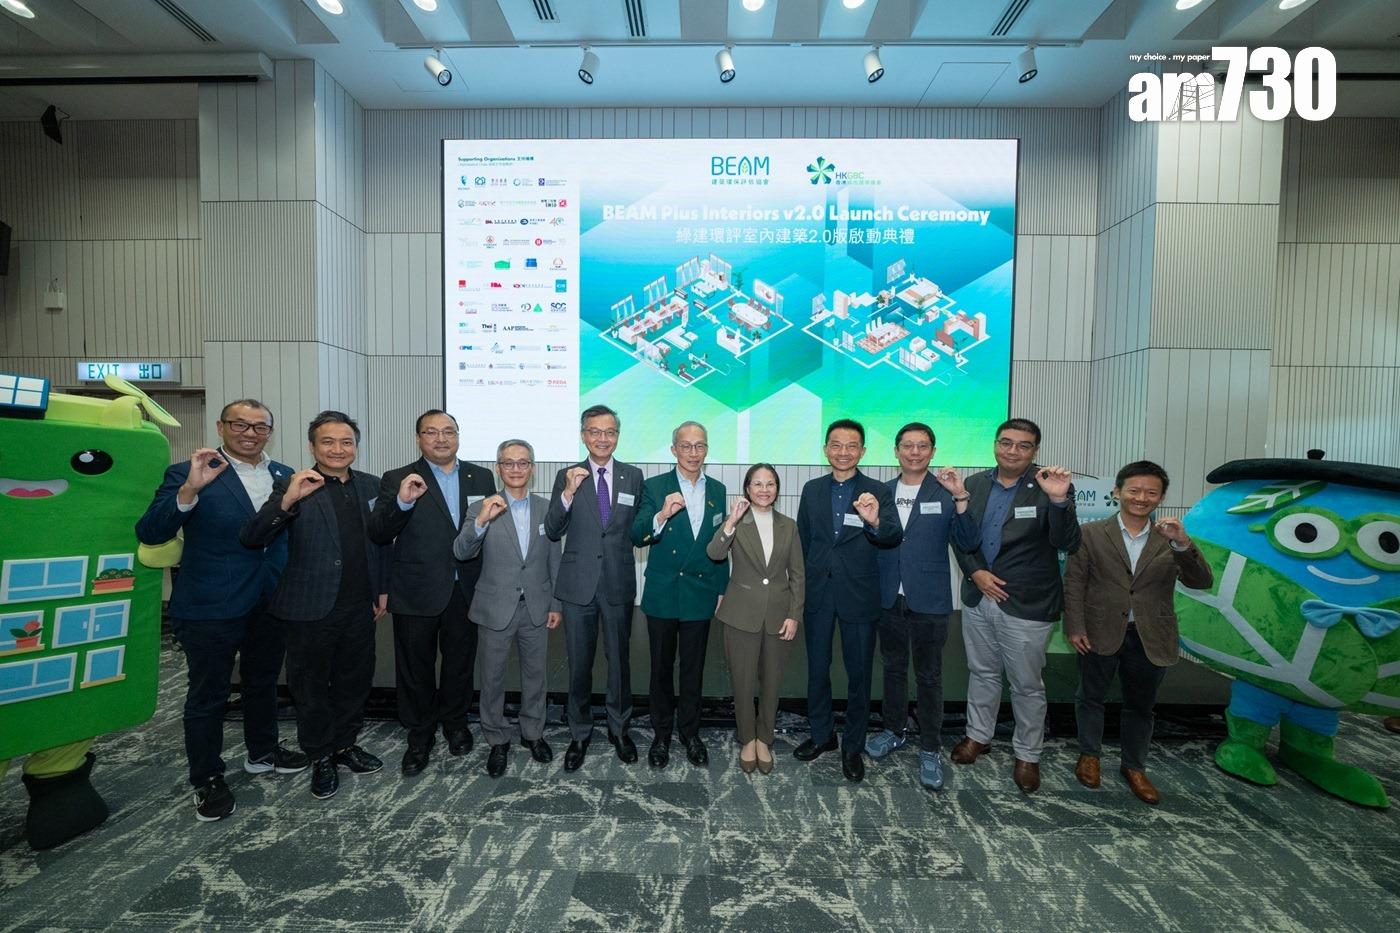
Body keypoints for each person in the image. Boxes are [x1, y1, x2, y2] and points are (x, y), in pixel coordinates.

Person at [135, 399, 307, 822]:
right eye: (240, 424)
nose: (250, 433)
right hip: (211, 603)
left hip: (270, 600)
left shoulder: (284, 474)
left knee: (262, 682)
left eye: (260, 427)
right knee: (208, 694)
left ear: (270, 432)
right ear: (221, 426)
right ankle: (207, 777)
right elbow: (150, 531)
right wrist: (189, 490)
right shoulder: (190, 471)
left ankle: (262, 751)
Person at [240, 411, 389, 800]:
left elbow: (379, 543)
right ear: (312, 446)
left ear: (356, 447)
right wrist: (289, 499)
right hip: (308, 606)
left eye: (346, 442)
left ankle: (344, 745)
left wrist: (382, 588)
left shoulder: (371, 485)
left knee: (354, 681)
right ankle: (320, 754)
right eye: (328, 441)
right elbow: (254, 536)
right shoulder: (294, 484)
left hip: (359, 605)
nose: (338, 449)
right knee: (310, 687)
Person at [1063, 460, 1213, 805]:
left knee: (1141, 706)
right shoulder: (1090, 533)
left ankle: (1134, 766)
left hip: (1150, 634)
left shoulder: (1171, 538)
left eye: (1151, 493)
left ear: (1161, 498)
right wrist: (1075, 626)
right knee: (1090, 697)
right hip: (1098, 630)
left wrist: (1182, 544)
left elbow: (1201, 581)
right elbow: (1074, 584)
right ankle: (1089, 755)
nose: (1141, 498)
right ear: (1117, 492)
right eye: (1134, 490)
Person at [952, 417, 1080, 793]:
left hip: (1026, 602)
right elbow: (961, 536)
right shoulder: (975, 484)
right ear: (995, 444)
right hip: (979, 595)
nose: (1013, 451)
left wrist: (1058, 500)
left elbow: (1067, 542)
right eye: (1006, 442)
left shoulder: (1049, 484)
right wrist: (975, 572)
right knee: (982, 672)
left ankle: (1028, 754)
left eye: (1023, 445)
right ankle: (978, 736)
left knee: (1026, 685)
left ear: (1035, 450)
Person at [366, 409, 495, 777]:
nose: (441, 439)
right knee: (415, 667)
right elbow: (379, 531)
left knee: (459, 664)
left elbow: (485, 530)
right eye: (431, 432)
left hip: (465, 588)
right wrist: (403, 502)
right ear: (418, 438)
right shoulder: (398, 478)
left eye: (448, 431)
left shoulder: (481, 476)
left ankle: (455, 723)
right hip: (416, 589)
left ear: (458, 436)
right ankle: (419, 733)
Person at [868, 422, 979, 792]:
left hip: (930, 599)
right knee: (893, 669)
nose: (914, 452)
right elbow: (873, 537)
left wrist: (961, 498)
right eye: (907, 445)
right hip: (888, 596)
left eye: (922, 446)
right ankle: (893, 730)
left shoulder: (945, 492)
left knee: (929, 675)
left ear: (933, 451)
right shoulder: (881, 492)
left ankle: (930, 747)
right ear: (896, 451)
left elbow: (968, 541)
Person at [794, 418, 902, 782]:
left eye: (851, 445)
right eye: (836, 445)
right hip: (819, 594)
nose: (844, 452)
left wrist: (874, 521)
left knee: (859, 675)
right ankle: (821, 735)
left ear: (863, 451)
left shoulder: (878, 491)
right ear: (825, 449)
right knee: (817, 669)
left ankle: (853, 746)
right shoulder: (812, 489)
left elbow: (892, 534)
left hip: (859, 594)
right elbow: (804, 541)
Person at [545, 404, 645, 771]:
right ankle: (579, 733)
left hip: (618, 582)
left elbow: (638, 529)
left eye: (609, 432)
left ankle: (619, 730)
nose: (603, 438)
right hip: (577, 587)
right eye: (595, 432)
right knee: (579, 665)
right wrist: (568, 493)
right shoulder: (567, 475)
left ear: (617, 436)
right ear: (583, 435)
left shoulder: (633, 476)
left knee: (619, 663)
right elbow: (553, 529)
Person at [453, 440, 561, 778]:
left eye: (523, 463)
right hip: (495, 608)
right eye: (508, 463)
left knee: (536, 676)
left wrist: (556, 603)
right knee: (492, 678)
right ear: (498, 468)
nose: (516, 469)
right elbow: (461, 551)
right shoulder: (481, 507)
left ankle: (533, 732)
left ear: (533, 468)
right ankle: (497, 738)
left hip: (537, 607)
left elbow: (554, 559)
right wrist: (482, 521)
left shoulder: (547, 508)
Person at [631, 421, 729, 769]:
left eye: (699, 446)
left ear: (706, 449)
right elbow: (637, 534)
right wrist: (661, 515)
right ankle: (661, 734)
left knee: (693, 669)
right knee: (660, 669)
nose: (693, 452)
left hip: (700, 591)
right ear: (673, 449)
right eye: (685, 446)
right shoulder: (655, 486)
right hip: (664, 591)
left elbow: (722, 542)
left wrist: (722, 586)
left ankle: (690, 732)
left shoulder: (717, 489)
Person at [708, 464, 804, 774]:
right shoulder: (737, 522)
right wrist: (731, 521)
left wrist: (794, 615)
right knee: (743, 681)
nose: (764, 489)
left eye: (770, 484)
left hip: (778, 615)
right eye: (758, 484)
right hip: (740, 614)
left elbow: (798, 575)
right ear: (747, 489)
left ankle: (765, 738)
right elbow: (714, 553)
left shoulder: (789, 526)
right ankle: (747, 738)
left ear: (777, 489)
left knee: (772, 682)